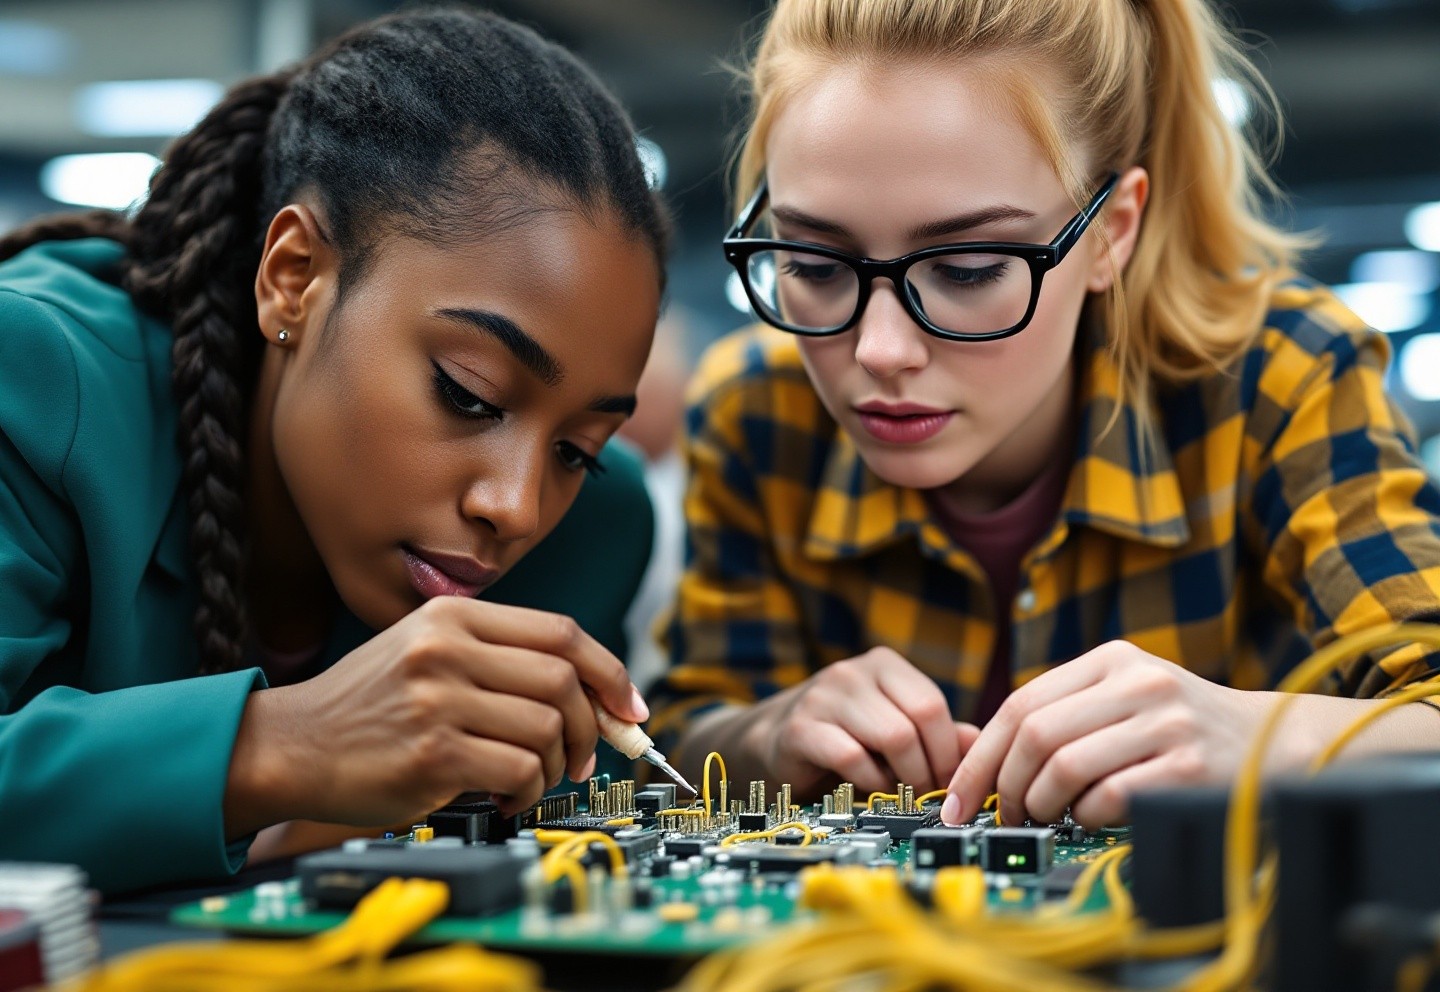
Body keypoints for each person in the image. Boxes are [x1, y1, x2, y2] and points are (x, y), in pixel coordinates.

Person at [651, 0, 1440, 831]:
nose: (880, 349)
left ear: (1112, 232)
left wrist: (1264, 736)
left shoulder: (1280, 380)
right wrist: (767, 734)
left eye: (968, 267)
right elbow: (675, 734)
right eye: (812, 262)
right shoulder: (753, 410)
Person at [0, 8, 668, 894]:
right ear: (294, 279)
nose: (516, 506)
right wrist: (288, 746)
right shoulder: (36, 374)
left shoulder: (595, 533)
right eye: (468, 394)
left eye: (579, 449)